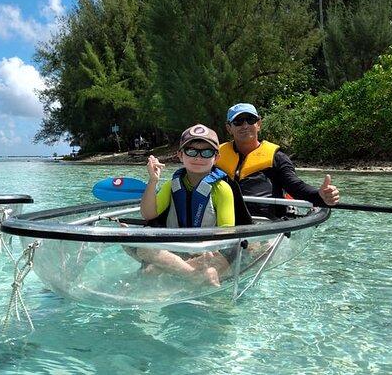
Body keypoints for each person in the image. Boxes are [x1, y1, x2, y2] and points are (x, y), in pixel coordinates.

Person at [131, 124, 235, 287]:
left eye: (206, 152)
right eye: (191, 151)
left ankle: (180, 271)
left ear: (217, 158)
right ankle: (191, 274)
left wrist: (205, 249)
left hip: (209, 251)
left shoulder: (222, 189)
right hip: (176, 249)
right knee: (142, 246)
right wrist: (153, 180)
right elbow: (148, 214)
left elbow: (227, 233)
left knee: (153, 271)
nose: (198, 158)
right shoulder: (171, 186)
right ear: (180, 155)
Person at [217, 103, 340, 220]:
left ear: (258, 124)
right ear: (229, 128)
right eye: (238, 122)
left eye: (250, 120)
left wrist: (319, 195)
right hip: (224, 220)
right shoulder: (215, 157)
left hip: (265, 223)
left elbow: (295, 186)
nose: (245, 126)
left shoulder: (278, 158)